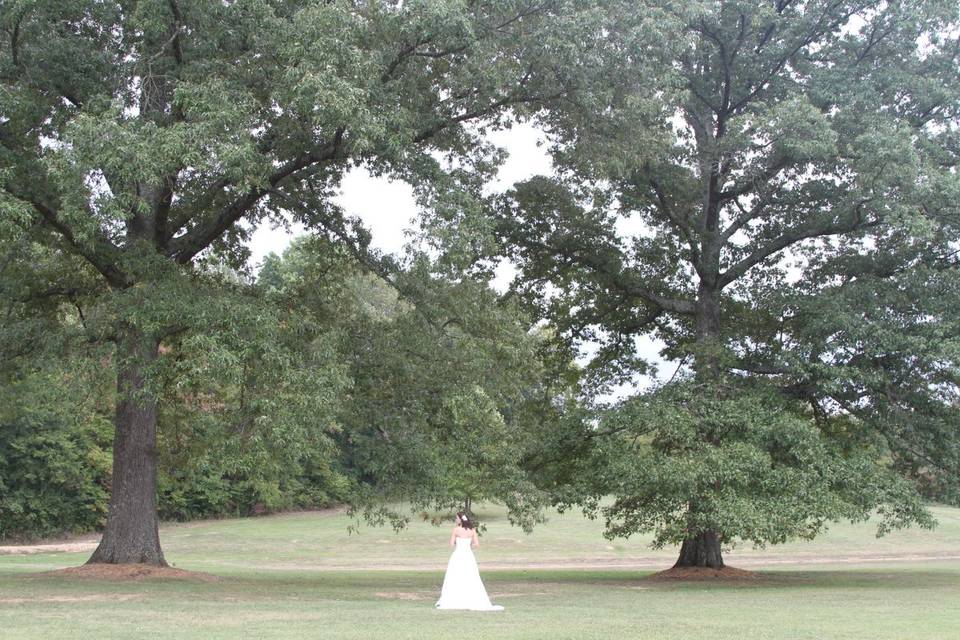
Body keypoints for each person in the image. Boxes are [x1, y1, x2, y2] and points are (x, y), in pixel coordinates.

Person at [435, 511, 504, 611]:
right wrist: (468, 546)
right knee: (470, 575)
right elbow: (476, 544)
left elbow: (451, 544)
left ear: (460, 519)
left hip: (458, 555)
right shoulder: (472, 530)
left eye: (456, 518)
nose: (455, 520)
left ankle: (454, 599)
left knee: (455, 575)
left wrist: (458, 544)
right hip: (468, 556)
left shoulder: (456, 530)